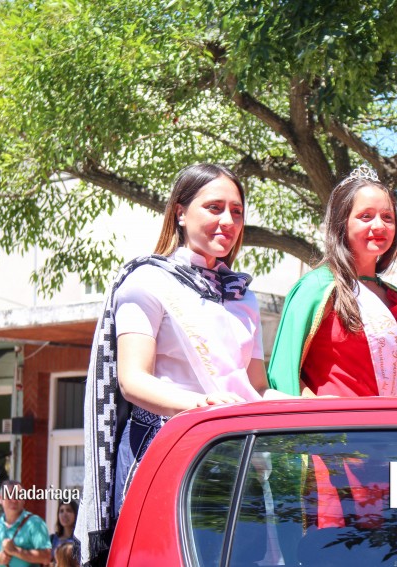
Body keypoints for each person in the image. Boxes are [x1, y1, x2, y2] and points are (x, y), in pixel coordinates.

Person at [76, 163, 291, 566]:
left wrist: (308, 405)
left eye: (237, 211)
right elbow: (133, 381)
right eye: (214, 207)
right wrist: (203, 408)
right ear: (179, 211)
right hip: (170, 455)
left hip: (237, 460)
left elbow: (256, 388)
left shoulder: (243, 296)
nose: (228, 220)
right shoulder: (147, 282)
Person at [268, 164, 397, 397]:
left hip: (391, 431)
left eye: (387, 217)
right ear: (341, 223)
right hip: (334, 429)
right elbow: (286, 377)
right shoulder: (317, 288)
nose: (379, 225)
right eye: (365, 216)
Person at [0, 481, 50, 567]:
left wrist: (15, 551)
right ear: (0, 499)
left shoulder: (35, 523)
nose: (14, 500)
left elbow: (47, 557)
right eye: (9, 495)